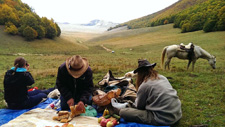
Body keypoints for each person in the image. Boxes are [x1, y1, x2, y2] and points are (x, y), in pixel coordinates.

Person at [116, 59, 182, 126]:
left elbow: (139, 107)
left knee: (123, 112)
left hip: (163, 118)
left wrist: (128, 105)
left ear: (140, 73)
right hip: (177, 114)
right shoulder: (162, 77)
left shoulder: (145, 85)